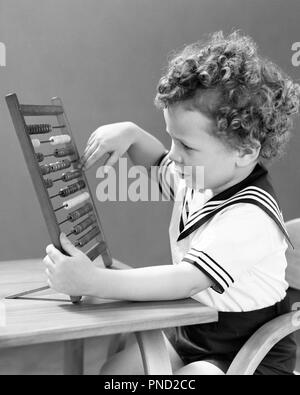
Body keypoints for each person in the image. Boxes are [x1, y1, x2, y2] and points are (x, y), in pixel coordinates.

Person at [44, 31, 300, 375]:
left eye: (187, 146)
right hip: (192, 332)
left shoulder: (249, 216)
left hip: (248, 354)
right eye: (172, 138)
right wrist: (131, 134)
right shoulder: (199, 177)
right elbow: (157, 162)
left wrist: (92, 281)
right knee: (114, 374)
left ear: (246, 151)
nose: (175, 156)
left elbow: (187, 280)